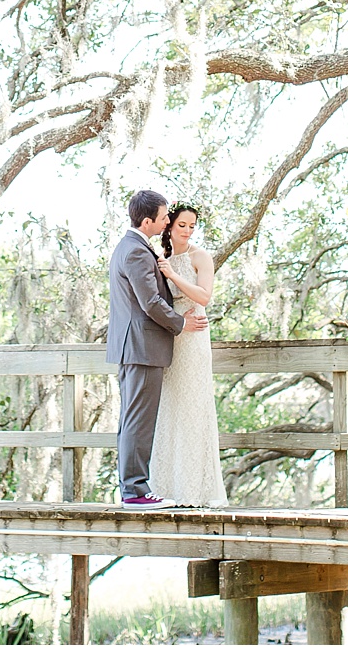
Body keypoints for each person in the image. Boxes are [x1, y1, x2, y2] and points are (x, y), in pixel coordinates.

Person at [107, 189, 208, 507]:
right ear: (148, 220)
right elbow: (149, 302)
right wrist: (181, 324)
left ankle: (132, 487)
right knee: (138, 420)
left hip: (137, 346)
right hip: (141, 345)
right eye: (165, 217)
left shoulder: (133, 247)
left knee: (133, 418)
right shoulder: (136, 251)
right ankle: (134, 491)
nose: (168, 222)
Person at [148, 204, 228, 506]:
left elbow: (204, 296)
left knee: (195, 404)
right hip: (171, 333)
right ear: (169, 226)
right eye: (182, 224)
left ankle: (195, 488)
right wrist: (165, 268)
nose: (187, 230)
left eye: (192, 225)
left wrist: (172, 275)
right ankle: (166, 486)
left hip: (194, 333)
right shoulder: (160, 256)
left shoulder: (200, 257)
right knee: (170, 405)